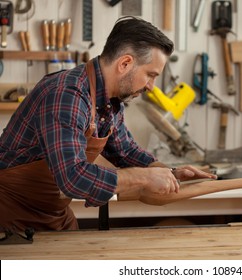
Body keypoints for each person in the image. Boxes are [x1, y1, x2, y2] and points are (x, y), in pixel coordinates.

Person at [0, 16, 216, 232]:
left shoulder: (110, 102)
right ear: (125, 64)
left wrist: (168, 172)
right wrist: (142, 178)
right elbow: (73, 178)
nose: (151, 86)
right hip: (10, 215)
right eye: (150, 75)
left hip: (51, 214)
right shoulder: (67, 95)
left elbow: (125, 151)